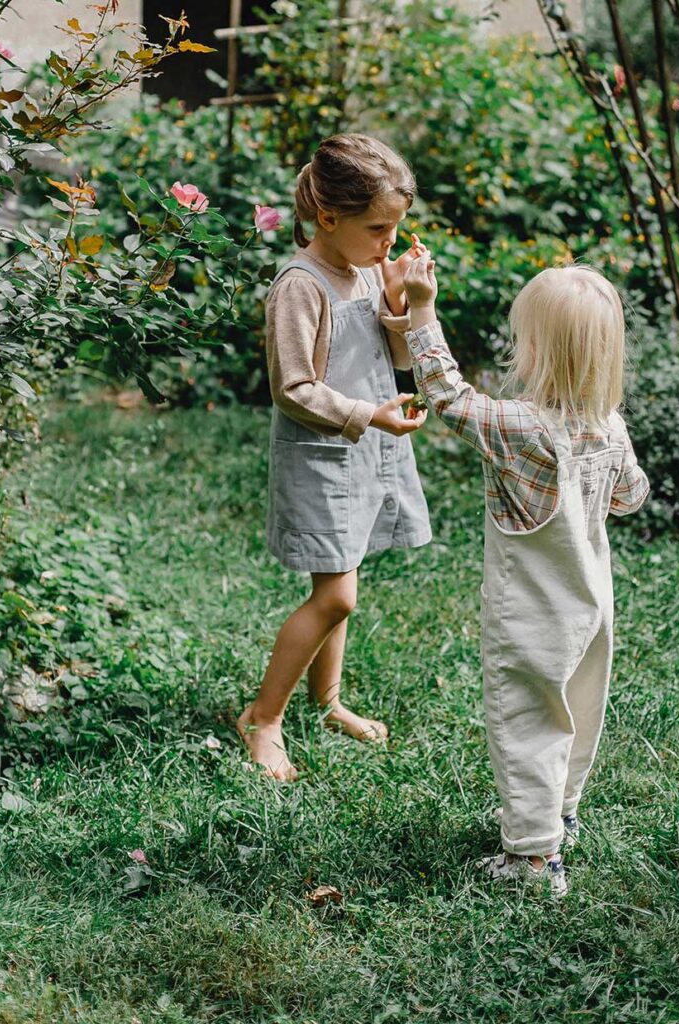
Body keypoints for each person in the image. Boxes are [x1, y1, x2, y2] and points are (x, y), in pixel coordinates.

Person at [401, 253, 649, 895]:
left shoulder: (520, 426)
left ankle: (534, 861)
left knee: (529, 721)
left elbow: (448, 396)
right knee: (580, 710)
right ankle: (559, 817)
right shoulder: (609, 427)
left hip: (534, 613)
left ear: (535, 350)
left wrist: (421, 311)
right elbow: (630, 498)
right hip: (592, 605)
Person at [238, 134, 433, 782]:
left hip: (367, 451)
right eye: (379, 229)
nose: (388, 244)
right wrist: (366, 414)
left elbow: (392, 359)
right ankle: (262, 718)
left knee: (341, 575)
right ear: (329, 218)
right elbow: (292, 388)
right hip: (322, 456)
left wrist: (406, 304)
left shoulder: (371, 271)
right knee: (339, 596)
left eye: (396, 228)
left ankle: (328, 703)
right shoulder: (302, 285)